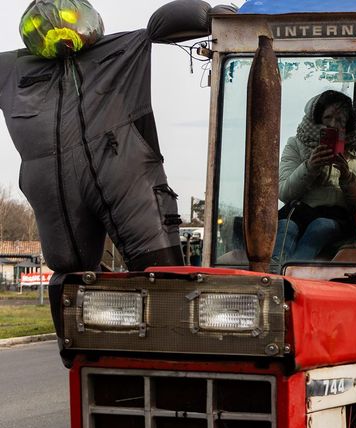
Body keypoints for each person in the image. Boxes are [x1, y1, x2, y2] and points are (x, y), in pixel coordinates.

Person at [0, 0, 233, 340]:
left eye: (67, 20)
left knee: (162, 273)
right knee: (67, 270)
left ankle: (176, 347)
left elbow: (163, 25)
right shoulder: (13, 70)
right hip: (58, 191)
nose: (60, 31)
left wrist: (214, 18)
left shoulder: (124, 49)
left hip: (127, 180)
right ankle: (80, 350)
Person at [276, 90, 356, 264]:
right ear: (317, 118)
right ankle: (274, 272)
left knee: (320, 227)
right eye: (328, 118)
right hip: (300, 212)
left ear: (347, 126)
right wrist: (310, 167)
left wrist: (347, 177)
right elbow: (284, 192)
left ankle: (294, 272)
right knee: (285, 229)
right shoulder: (296, 144)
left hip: (336, 216)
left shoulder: (355, 151)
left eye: (340, 120)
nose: (333, 124)